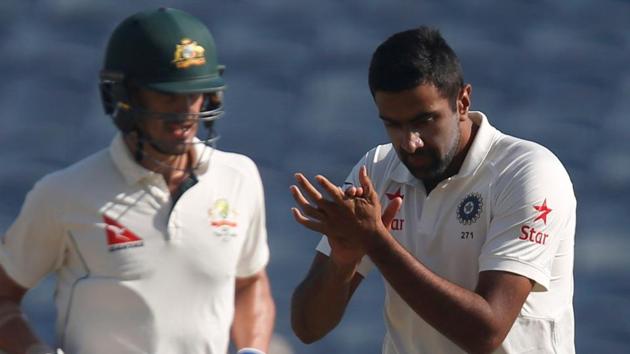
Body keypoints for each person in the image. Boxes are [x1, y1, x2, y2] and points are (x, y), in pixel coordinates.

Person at [0, 8, 274, 354]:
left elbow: (250, 282)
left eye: (195, 93)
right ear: (123, 96)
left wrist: (253, 350)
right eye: (167, 95)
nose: (186, 111)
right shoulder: (63, 194)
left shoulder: (239, 177)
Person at [290, 26, 575, 354]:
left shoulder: (527, 172)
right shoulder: (378, 169)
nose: (410, 142)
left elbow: (486, 332)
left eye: (424, 120)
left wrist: (376, 241)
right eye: (393, 124)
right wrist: (342, 262)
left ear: (463, 101)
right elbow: (308, 327)